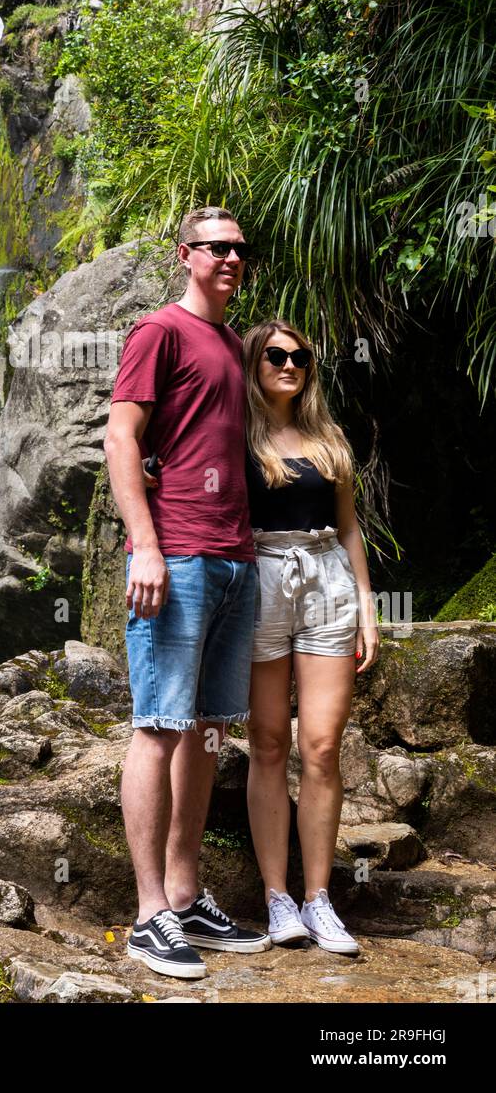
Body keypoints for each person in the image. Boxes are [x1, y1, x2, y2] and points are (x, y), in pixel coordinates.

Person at [104, 205, 270, 980]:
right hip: (179, 554)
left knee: (207, 729)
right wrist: (146, 544)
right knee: (160, 724)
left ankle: (185, 891)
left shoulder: (234, 346)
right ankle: (147, 916)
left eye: (239, 249)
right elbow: (122, 436)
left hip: (235, 558)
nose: (231, 258)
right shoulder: (158, 332)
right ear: (185, 255)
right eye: (216, 247)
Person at [240, 319, 380, 955]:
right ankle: (278, 900)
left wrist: (368, 609)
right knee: (269, 742)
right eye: (275, 355)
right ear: (254, 363)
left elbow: (349, 529)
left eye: (300, 356)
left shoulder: (327, 439)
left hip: (326, 579)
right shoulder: (236, 434)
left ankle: (319, 899)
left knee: (322, 745)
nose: (289, 364)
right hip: (261, 576)